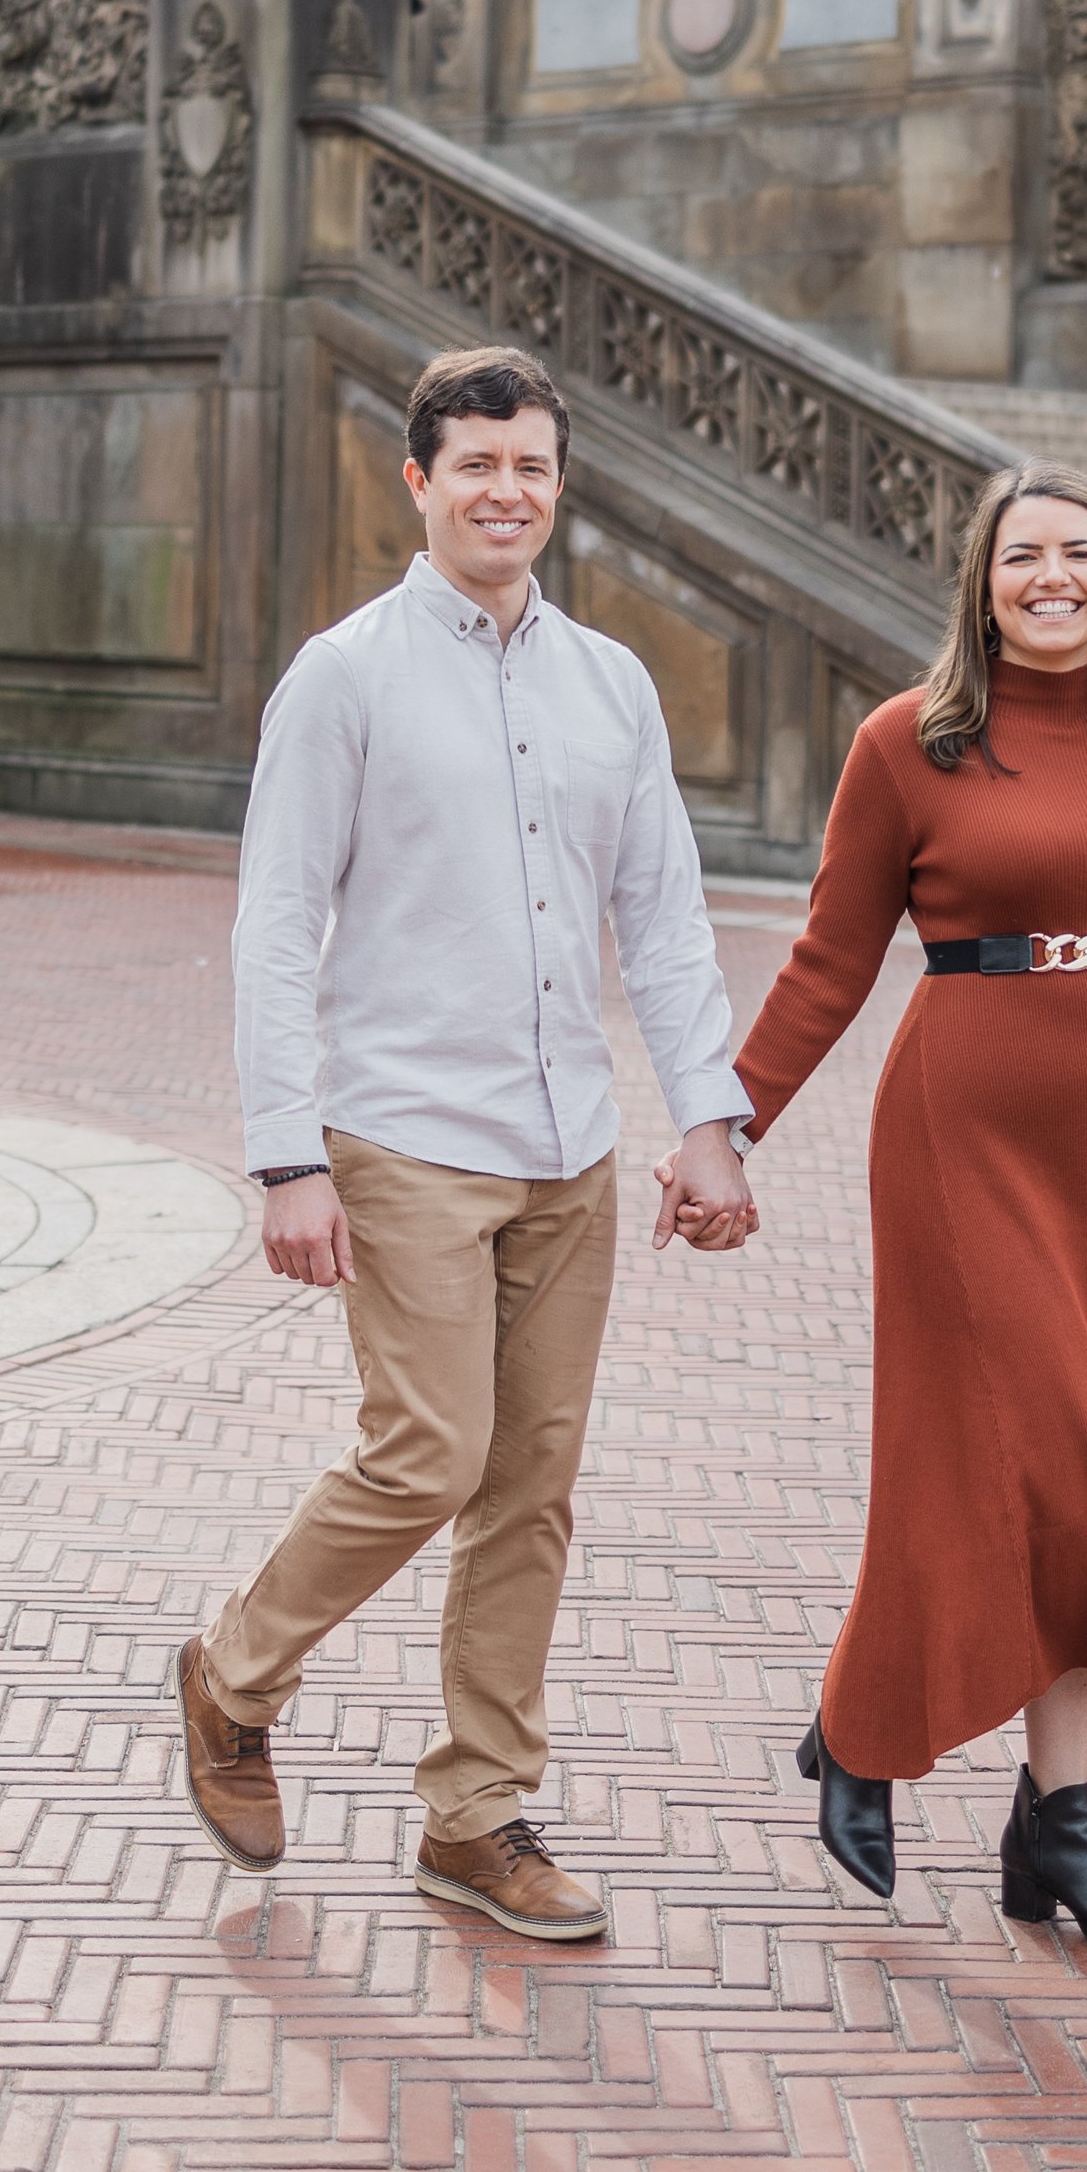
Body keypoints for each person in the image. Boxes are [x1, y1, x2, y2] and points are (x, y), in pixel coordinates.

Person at [173, 342, 757, 1942]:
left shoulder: (609, 685)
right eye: (478, 466)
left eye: (534, 468)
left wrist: (708, 1119)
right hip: (403, 1132)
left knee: (533, 1482)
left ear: (558, 488)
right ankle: (233, 1671)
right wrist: (286, 1152)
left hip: (567, 1141)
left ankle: (476, 1811)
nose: (509, 492)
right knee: (427, 1447)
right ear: (417, 481)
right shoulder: (345, 675)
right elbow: (276, 923)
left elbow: (664, 918)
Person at [723, 460, 1087, 1949]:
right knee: (1014, 1463)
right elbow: (830, 958)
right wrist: (728, 1123)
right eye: (1021, 554)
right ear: (980, 582)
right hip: (962, 1133)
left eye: (1079, 554)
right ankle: (861, 1725)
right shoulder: (909, 742)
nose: (1051, 575)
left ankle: (1055, 1821)